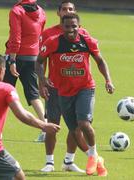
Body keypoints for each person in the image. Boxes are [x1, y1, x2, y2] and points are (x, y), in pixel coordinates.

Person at [36, 14, 115, 176]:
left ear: (79, 26)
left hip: (85, 88)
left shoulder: (87, 41)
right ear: (62, 26)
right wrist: (42, 80)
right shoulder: (53, 42)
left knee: (83, 123)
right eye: (67, 26)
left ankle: (93, 154)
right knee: (74, 130)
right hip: (63, 92)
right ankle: (96, 159)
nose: (71, 30)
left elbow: (100, 61)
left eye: (74, 26)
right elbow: (38, 61)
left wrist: (108, 80)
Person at [0, 53, 60, 180]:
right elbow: (22, 114)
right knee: (18, 176)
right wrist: (44, 125)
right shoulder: (5, 89)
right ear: (0, 70)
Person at [38, 0, 89, 173]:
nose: (67, 11)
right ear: (58, 12)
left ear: (75, 13)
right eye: (64, 9)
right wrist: (41, 82)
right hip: (54, 86)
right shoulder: (48, 34)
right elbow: (41, 60)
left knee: (75, 126)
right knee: (52, 123)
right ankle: (49, 162)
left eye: (71, 9)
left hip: (77, 87)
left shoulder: (83, 33)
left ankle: (69, 161)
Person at [4, 0, 47, 142]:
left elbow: (16, 37)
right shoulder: (41, 11)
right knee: (33, 94)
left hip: (17, 56)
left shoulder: (16, 11)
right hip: (33, 57)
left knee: (2, 93)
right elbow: (40, 35)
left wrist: (12, 60)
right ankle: (46, 128)